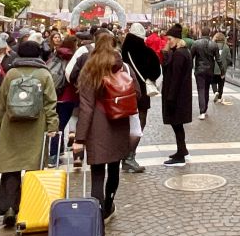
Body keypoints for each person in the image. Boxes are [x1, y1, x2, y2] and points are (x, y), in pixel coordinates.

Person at [71, 31, 136, 225]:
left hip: (97, 128)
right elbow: (137, 93)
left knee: (97, 175)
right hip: (118, 124)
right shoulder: (122, 65)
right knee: (114, 169)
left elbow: (86, 108)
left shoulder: (90, 68)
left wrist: (79, 139)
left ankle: (97, 224)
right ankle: (108, 206)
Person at [0, 40, 58, 228]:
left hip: (11, 127)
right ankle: (31, 208)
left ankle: (10, 208)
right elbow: (50, 103)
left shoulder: (11, 74)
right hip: (36, 127)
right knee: (33, 169)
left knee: (11, 168)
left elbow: (0, 104)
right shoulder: (44, 74)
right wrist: (52, 126)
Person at [121, 23, 162, 173]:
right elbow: (156, 72)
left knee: (124, 123)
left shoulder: (121, 51)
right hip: (142, 93)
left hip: (123, 92)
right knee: (139, 124)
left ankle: (123, 154)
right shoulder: (148, 52)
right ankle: (130, 156)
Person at [161, 23, 193, 167]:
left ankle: (181, 154)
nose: (168, 42)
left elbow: (175, 77)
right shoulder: (181, 52)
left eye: (169, 39)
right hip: (180, 95)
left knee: (177, 125)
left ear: (177, 38)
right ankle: (182, 150)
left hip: (177, 96)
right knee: (177, 125)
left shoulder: (180, 54)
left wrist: (171, 97)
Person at [47, 35, 78, 166]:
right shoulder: (74, 58)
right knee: (59, 127)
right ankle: (53, 156)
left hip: (54, 95)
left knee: (57, 124)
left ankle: (59, 150)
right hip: (68, 97)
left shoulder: (55, 54)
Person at [190, 27, 220, 120]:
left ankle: (202, 111)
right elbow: (218, 59)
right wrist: (222, 71)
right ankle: (205, 109)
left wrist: (189, 69)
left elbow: (190, 57)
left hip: (199, 70)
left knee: (201, 90)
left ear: (201, 33)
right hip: (210, 70)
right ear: (209, 33)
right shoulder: (214, 44)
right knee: (206, 89)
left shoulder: (196, 43)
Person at [212, 32, 233, 105]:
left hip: (213, 68)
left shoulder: (212, 46)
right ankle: (220, 97)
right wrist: (225, 65)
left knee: (213, 82)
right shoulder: (226, 47)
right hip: (222, 69)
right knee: (221, 83)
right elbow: (229, 59)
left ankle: (215, 92)